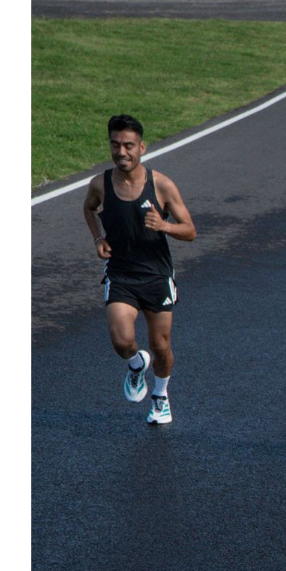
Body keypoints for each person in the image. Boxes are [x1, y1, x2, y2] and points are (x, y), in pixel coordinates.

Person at [83, 114, 198, 425]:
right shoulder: (100, 184)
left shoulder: (161, 185)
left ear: (142, 147)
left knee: (161, 347)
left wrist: (164, 225)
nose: (122, 152)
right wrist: (98, 238)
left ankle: (160, 397)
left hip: (157, 277)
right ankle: (136, 366)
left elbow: (190, 230)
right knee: (122, 340)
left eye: (129, 146)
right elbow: (88, 208)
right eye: (116, 145)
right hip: (121, 274)